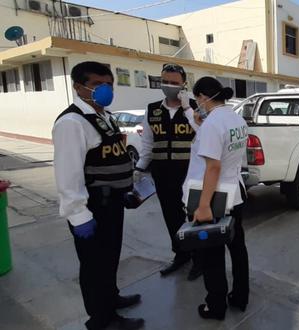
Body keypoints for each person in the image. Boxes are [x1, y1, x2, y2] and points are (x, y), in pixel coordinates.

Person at [52, 62, 144, 330]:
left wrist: (126, 190)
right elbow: (68, 176)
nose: (104, 90)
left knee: (110, 258)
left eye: (109, 84)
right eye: (97, 85)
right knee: (94, 267)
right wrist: (79, 216)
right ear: (78, 87)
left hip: (113, 202)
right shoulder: (72, 122)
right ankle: (102, 320)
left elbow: (114, 156)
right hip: (91, 208)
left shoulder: (105, 116)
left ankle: (111, 299)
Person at [184, 77, 249, 320]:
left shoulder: (213, 124)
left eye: (197, 99)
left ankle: (216, 306)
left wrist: (202, 206)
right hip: (235, 193)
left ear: (202, 97)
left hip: (213, 198)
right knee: (238, 248)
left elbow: (213, 167)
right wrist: (199, 123)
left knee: (211, 255)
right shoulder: (236, 118)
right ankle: (240, 296)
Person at [134, 63, 202, 280]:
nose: (169, 86)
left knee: (194, 217)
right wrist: (139, 168)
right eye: (165, 82)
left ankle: (199, 260)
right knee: (172, 217)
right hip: (163, 173)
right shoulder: (152, 109)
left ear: (183, 84)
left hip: (190, 173)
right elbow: (147, 143)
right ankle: (181, 254)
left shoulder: (195, 108)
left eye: (174, 83)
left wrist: (187, 109)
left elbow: (205, 134)